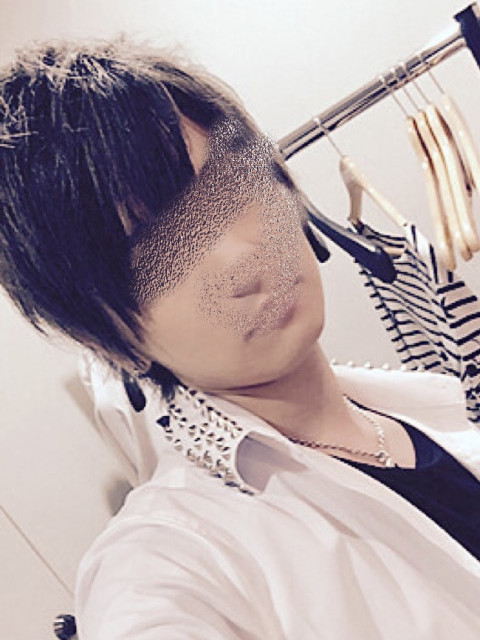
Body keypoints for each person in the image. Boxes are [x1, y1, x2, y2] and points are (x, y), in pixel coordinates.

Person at [1, 37, 479, 640]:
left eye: (229, 189)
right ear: (110, 338)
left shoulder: (427, 400)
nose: (241, 259)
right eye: (157, 255)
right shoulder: (170, 560)